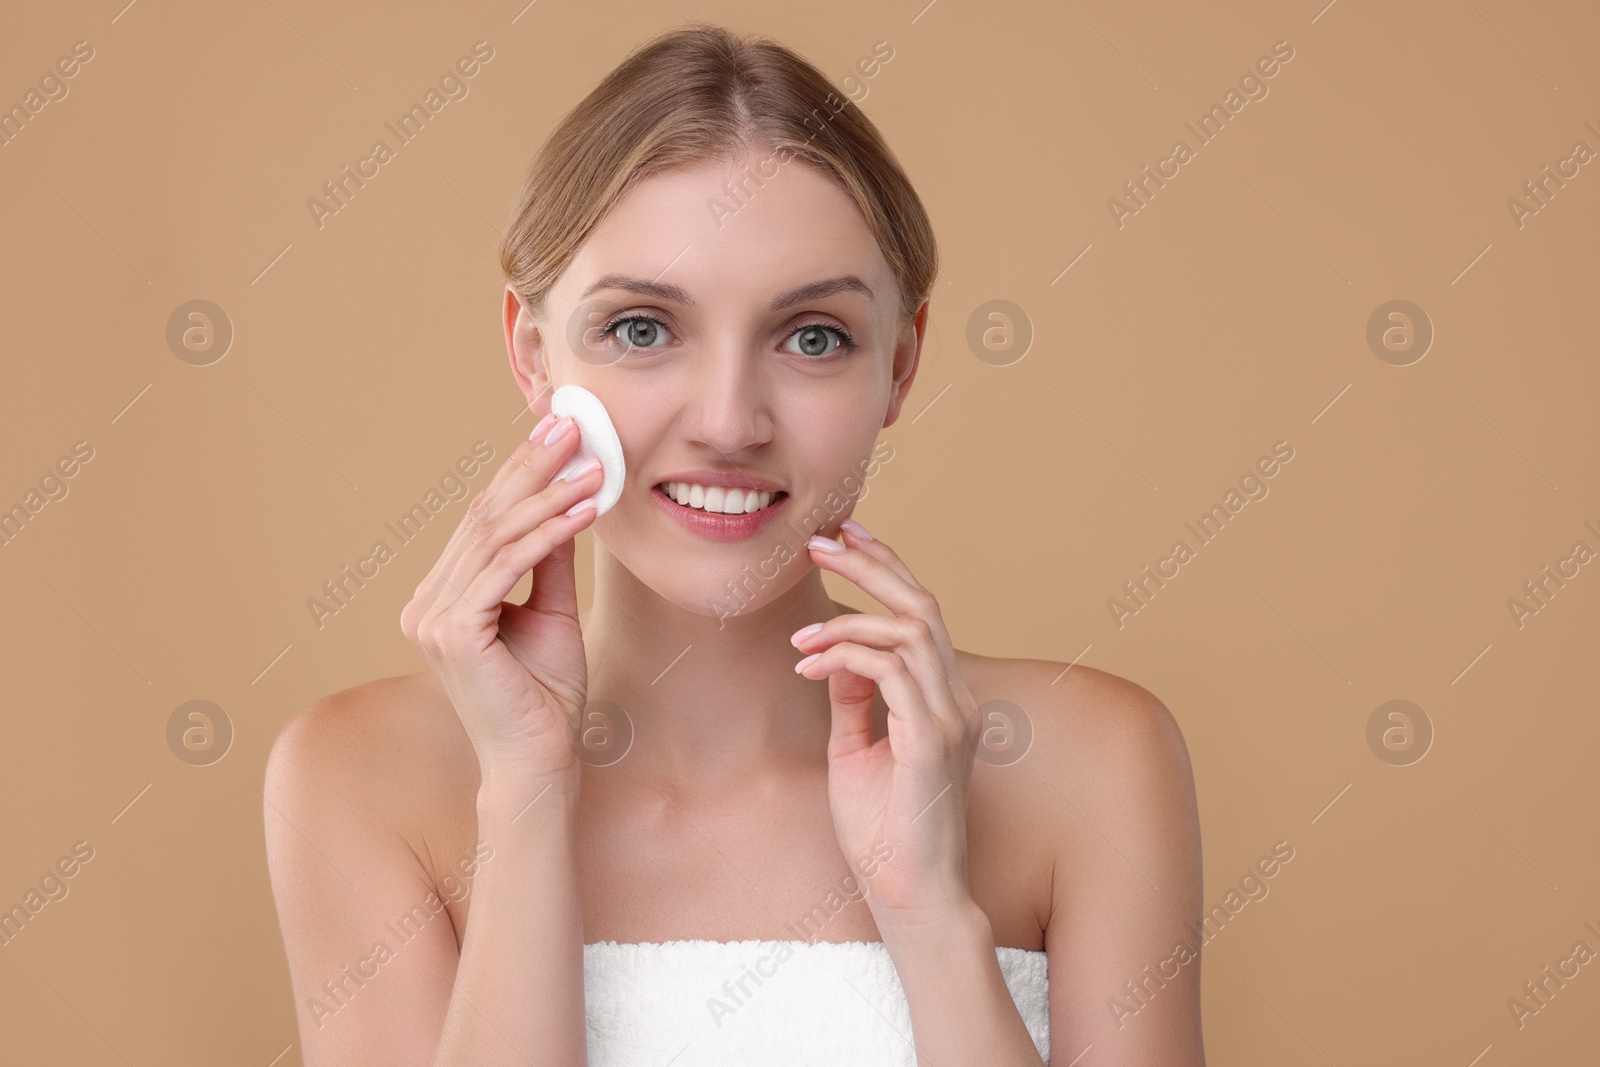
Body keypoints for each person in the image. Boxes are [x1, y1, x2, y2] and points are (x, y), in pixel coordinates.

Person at [264, 22, 1205, 1066]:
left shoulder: (1089, 762)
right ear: (534, 357)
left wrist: (929, 910)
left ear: (899, 366)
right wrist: (526, 794)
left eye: (811, 336)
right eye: (642, 328)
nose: (728, 419)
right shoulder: (359, 776)